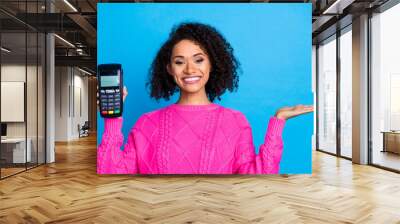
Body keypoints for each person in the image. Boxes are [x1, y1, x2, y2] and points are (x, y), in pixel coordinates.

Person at [97, 22, 313, 174]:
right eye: (180, 62)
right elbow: (111, 173)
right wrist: (111, 122)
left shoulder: (236, 122)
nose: (190, 69)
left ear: (212, 64)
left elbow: (257, 177)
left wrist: (278, 123)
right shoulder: (146, 123)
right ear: (170, 69)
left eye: (199, 60)